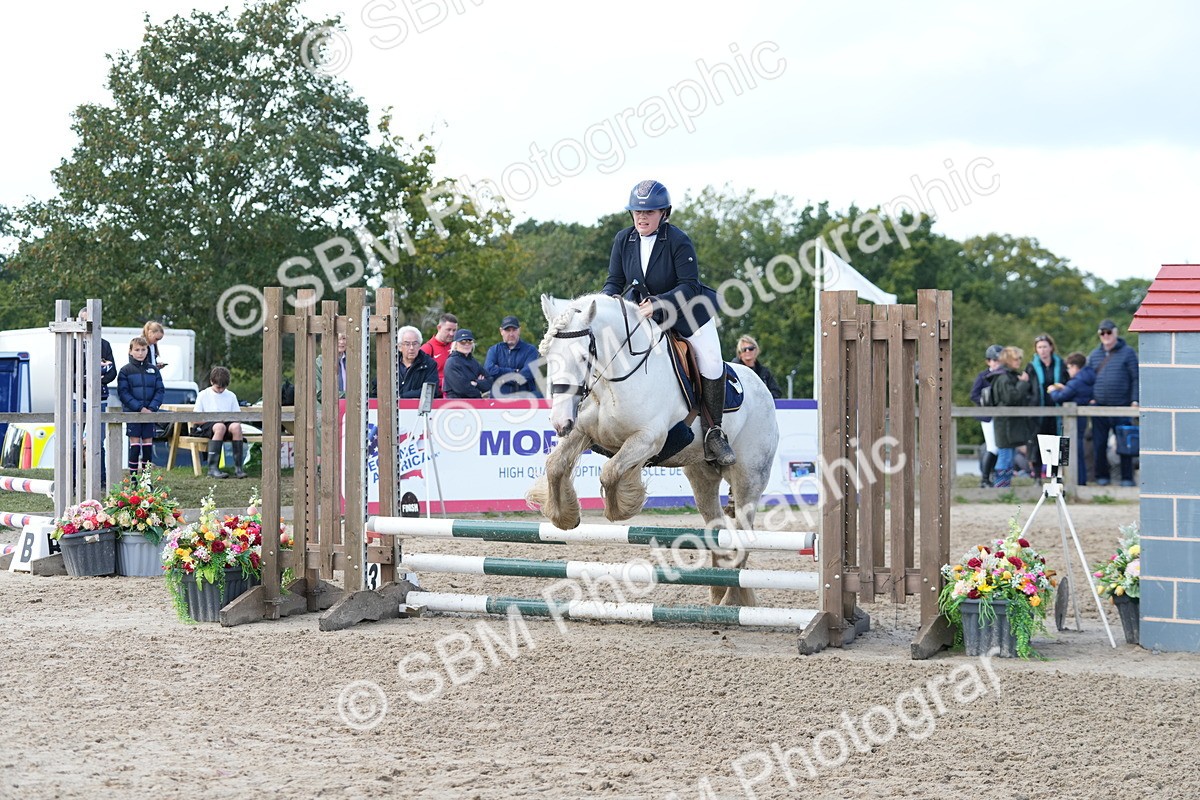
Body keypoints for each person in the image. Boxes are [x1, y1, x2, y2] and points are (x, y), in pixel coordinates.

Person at [601, 179, 735, 466]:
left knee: (712, 361)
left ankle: (714, 431)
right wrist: (605, 305)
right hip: (644, 314)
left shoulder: (677, 240)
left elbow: (690, 285)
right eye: (637, 211)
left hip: (687, 313)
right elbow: (614, 281)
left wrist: (659, 304)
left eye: (649, 212)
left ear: (663, 213)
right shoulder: (624, 240)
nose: (641, 217)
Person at [1087, 318, 1139, 486]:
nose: (1106, 335)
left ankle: (1127, 478)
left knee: (1125, 444)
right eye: (1102, 333)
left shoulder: (1128, 353)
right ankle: (1102, 478)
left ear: (1115, 333)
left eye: (1109, 332)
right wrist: (1090, 397)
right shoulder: (1094, 355)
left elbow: (1136, 378)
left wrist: (1135, 400)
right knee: (1099, 444)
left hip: (1122, 406)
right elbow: (1088, 379)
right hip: (1099, 408)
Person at [990, 346, 1036, 488]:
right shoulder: (1003, 378)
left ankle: (1005, 486)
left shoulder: (1008, 376)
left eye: (1020, 358)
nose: (1019, 361)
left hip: (1009, 425)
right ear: (1008, 360)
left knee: (1009, 458)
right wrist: (1023, 383)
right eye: (1016, 359)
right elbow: (1011, 398)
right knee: (1005, 457)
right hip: (1005, 425)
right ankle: (1001, 488)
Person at [117, 336, 164, 472]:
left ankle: (146, 478)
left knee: (148, 446)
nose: (140, 353)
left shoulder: (154, 370)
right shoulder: (125, 370)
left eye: (143, 349)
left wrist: (152, 408)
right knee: (135, 445)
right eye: (137, 350)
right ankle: (133, 478)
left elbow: (160, 390)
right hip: (133, 413)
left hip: (150, 413)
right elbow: (123, 393)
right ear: (130, 351)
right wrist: (139, 408)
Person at [1025, 333, 1069, 478]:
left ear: (1051, 347)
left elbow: (1068, 383)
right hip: (1038, 411)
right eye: (1039, 347)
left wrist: (1061, 387)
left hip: (1057, 411)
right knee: (1037, 443)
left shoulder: (1060, 364)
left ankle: (1056, 476)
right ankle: (1037, 476)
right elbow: (1027, 389)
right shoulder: (1031, 367)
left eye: (1045, 347)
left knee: (1057, 443)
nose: (1042, 350)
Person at [1049, 352, 1096, 486]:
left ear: (1075, 367)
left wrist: (1053, 390)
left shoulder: (1076, 382)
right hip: (1082, 420)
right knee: (1078, 448)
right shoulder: (1089, 377)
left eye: (1069, 368)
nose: (1068, 371)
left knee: (1073, 449)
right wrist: (1065, 388)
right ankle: (1081, 480)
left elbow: (1060, 397)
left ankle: (1076, 482)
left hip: (1073, 421)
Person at [192, 366, 247, 479]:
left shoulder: (231, 396)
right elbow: (195, 419)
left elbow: (237, 417)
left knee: (236, 427)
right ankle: (213, 468)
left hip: (227, 423)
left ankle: (238, 468)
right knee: (219, 427)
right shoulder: (203, 395)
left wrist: (228, 419)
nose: (221, 390)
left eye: (223, 387)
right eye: (218, 387)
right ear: (212, 382)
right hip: (207, 425)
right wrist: (214, 419)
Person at [371, 326, 441, 399]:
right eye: (407, 344)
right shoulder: (389, 363)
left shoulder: (429, 364)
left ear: (420, 345)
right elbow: (377, 390)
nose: (411, 348)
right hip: (390, 405)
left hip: (417, 405)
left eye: (415, 344)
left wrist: (402, 397)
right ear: (399, 347)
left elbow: (431, 391)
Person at [969, 344, 1006, 488]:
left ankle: (992, 476)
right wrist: (986, 402)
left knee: (999, 447)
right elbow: (974, 395)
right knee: (992, 447)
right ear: (988, 361)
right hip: (988, 416)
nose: (997, 363)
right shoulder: (983, 376)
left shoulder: (1004, 375)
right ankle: (984, 479)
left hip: (1001, 416)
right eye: (994, 360)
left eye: (999, 360)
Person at [484, 315, 543, 398]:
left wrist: (499, 374)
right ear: (501, 331)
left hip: (524, 400)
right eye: (507, 330)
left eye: (514, 330)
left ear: (519, 330)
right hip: (498, 400)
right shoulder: (494, 350)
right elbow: (488, 370)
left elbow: (524, 376)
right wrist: (515, 372)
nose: (511, 334)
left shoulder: (531, 350)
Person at [443, 329, 493, 399]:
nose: (466, 344)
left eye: (469, 341)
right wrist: (479, 391)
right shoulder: (452, 362)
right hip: (456, 403)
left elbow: (490, 381)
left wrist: (476, 383)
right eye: (462, 342)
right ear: (455, 344)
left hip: (475, 403)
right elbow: (462, 389)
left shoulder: (474, 362)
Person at [730, 334, 783, 399]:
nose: (747, 351)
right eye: (744, 349)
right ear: (739, 353)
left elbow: (776, 392)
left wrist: (763, 398)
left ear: (756, 350)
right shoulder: (733, 371)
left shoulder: (764, 372)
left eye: (751, 349)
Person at [421, 314, 459, 392]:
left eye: (454, 330)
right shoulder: (427, 349)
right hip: (436, 395)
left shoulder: (456, 347)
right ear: (439, 327)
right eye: (448, 330)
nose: (451, 334)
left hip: (454, 393)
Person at [314, 333, 347, 403]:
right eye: (338, 339)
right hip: (326, 408)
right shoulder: (318, 364)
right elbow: (320, 394)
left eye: (344, 338)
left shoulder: (353, 362)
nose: (341, 342)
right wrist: (348, 395)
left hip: (350, 407)